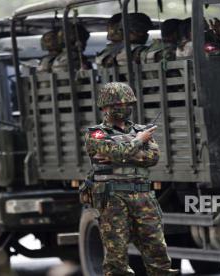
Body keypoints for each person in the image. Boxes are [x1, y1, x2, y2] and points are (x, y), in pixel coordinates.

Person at [84, 82, 178, 276]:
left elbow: (152, 157)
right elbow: (117, 153)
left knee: (157, 251)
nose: (123, 108)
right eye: (117, 104)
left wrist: (122, 151)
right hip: (112, 199)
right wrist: (138, 142)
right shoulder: (97, 133)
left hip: (143, 197)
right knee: (116, 256)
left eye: (128, 104)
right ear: (104, 107)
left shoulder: (140, 130)